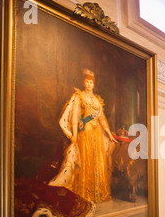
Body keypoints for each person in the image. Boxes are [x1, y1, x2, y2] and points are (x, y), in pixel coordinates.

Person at [49, 69, 117, 203]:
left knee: (97, 160)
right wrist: (73, 135)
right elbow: (74, 117)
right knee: (86, 159)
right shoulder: (79, 96)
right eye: (87, 81)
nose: (89, 84)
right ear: (84, 82)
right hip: (85, 133)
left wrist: (109, 133)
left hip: (97, 134)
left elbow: (102, 118)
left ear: (94, 84)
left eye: (91, 82)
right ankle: (86, 192)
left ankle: (98, 193)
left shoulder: (98, 99)